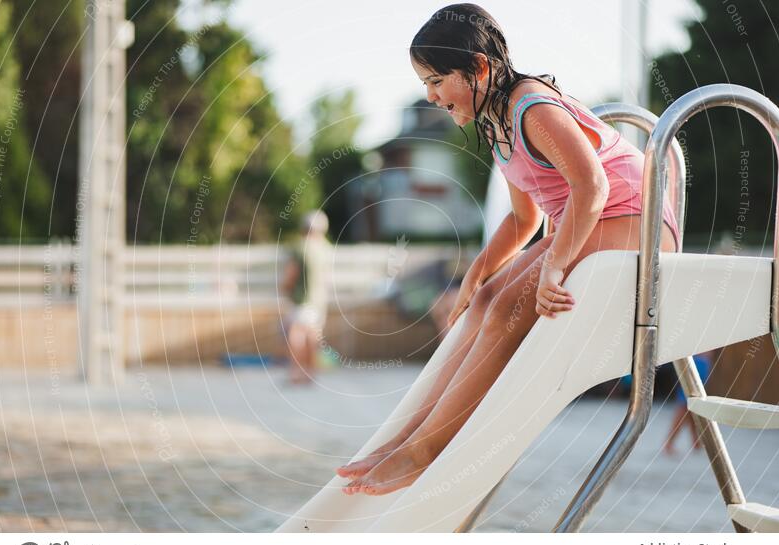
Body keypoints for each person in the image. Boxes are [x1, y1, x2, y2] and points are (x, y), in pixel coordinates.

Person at [336, 3, 680, 495]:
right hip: (592, 219)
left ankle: (425, 451)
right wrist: (478, 272)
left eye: (437, 80)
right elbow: (525, 219)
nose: (431, 96)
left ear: (478, 68)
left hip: (633, 217)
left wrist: (554, 268)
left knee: (504, 313)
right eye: (425, 85)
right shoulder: (497, 124)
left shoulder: (530, 106)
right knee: (486, 300)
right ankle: (408, 437)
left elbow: (593, 185)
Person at [281, 210, 331, 385]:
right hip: (319, 301)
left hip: (301, 299)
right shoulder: (325, 248)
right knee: (312, 335)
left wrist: (284, 290)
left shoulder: (300, 247)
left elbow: (291, 274)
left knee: (296, 333)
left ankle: (296, 372)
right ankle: (311, 373)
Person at [664, 353, 711, 456]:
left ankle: (696, 442)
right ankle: (669, 443)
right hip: (696, 360)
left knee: (692, 404)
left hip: (700, 360)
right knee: (685, 404)